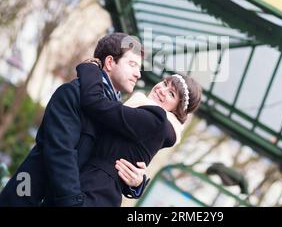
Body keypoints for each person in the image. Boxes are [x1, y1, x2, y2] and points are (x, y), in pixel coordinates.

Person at [0, 33, 149, 207]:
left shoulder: (115, 114)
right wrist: (74, 203)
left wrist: (137, 182)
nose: (138, 74)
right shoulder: (72, 93)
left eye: (139, 68)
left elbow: (111, 163)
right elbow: (60, 153)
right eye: (132, 64)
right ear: (110, 62)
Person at [74, 60, 202, 206]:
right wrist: (137, 186)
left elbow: (96, 104)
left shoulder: (155, 121)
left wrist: (90, 68)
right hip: (95, 190)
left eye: (171, 94)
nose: (162, 90)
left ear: (176, 110)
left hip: (92, 192)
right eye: (165, 83)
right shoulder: (152, 120)